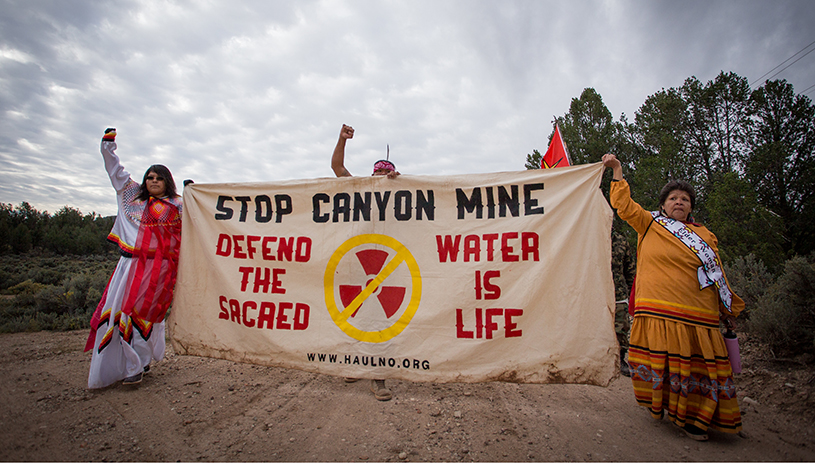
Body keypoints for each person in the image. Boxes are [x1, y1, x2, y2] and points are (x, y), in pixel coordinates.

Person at [602, 153, 744, 442]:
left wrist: (726, 307)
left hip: (699, 317)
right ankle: (665, 407)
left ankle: (698, 420)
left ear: (691, 207)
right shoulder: (649, 224)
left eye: (685, 199)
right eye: (673, 199)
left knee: (698, 369)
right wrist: (617, 170)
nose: (679, 202)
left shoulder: (706, 236)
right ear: (663, 205)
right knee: (662, 365)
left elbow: (716, 274)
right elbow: (624, 206)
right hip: (658, 313)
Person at [85, 128, 183, 389]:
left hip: (157, 269)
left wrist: (194, 194)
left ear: (167, 181)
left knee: (143, 315)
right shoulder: (130, 197)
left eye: (159, 178)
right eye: (149, 177)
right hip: (128, 266)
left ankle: (138, 363)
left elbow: (200, 219)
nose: (153, 181)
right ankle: (133, 365)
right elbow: (114, 170)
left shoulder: (178, 205)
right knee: (121, 314)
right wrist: (108, 146)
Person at [331, 123, 398, 401]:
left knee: (381, 319)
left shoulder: (400, 192)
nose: (381, 176)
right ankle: (356, 365)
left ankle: (378, 378)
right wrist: (341, 139)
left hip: (388, 266)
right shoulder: (360, 188)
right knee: (355, 315)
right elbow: (337, 168)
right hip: (358, 262)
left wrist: (401, 182)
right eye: (377, 172)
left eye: (385, 172)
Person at [611, 228, 635, 377]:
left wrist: (633, 291)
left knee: (621, 326)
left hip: (617, 291)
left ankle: (620, 359)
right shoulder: (587, 236)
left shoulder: (621, 240)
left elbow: (629, 267)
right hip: (593, 290)